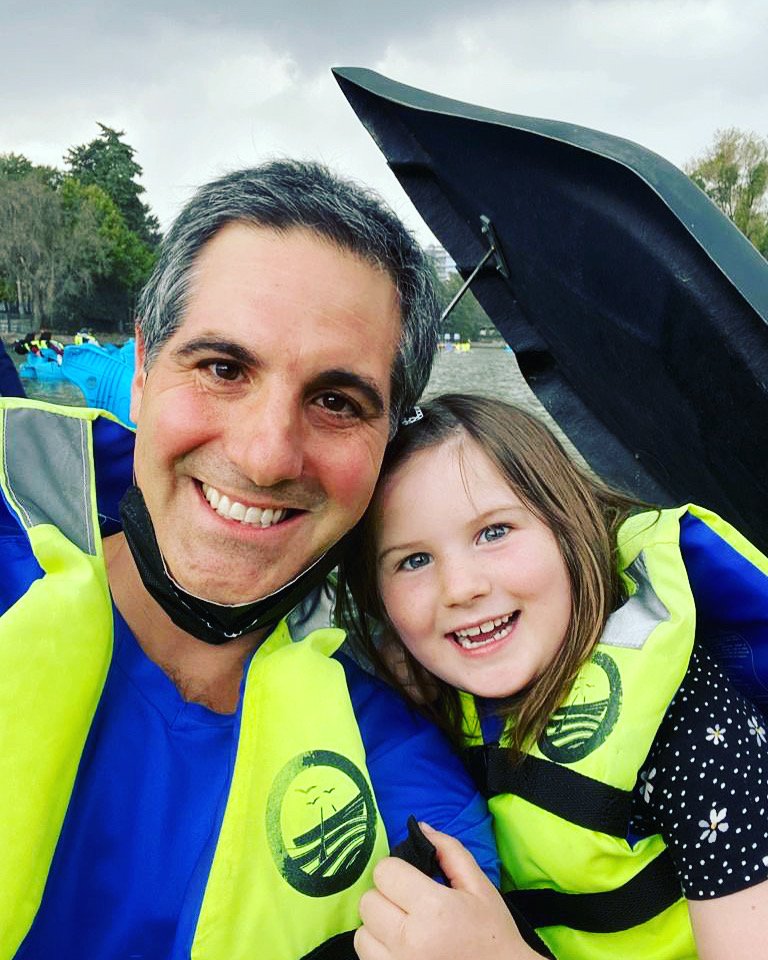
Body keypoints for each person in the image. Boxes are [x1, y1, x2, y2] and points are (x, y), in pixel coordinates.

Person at [0, 164, 498, 960]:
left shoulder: (405, 782)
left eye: (338, 401)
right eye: (223, 369)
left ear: (385, 449)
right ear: (140, 372)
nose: (266, 457)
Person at [338, 393, 768, 960]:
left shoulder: (692, 727)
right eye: (413, 561)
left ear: (570, 529)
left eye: (494, 532)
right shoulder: (415, 691)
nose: (460, 587)